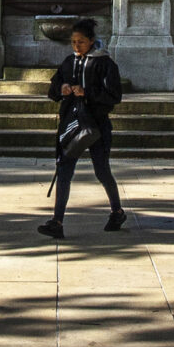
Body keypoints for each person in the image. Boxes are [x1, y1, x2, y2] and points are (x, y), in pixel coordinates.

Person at [40, 19, 125, 238]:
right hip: (71, 123)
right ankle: (57, 221)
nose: (77, 46)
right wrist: (62, 88)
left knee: (102, 170)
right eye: (73, 42)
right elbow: (52, 89)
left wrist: (87, 93)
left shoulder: (105, 63)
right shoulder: (69, 62)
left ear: (92, 42)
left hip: (96, 124)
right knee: (64, 169)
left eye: (81, 42)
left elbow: (114, 96)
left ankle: (117, 211)